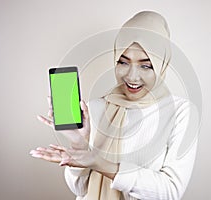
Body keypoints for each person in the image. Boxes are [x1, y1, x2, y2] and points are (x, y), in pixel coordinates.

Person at [30, 11, 198, 200]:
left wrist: (101, 163)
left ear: (163, 64)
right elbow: (80, 189)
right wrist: (79, 145)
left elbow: (170, 191)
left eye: (146, 65)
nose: (132, 77)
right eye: (123, 62)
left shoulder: (180, 112)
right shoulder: (95, 108)